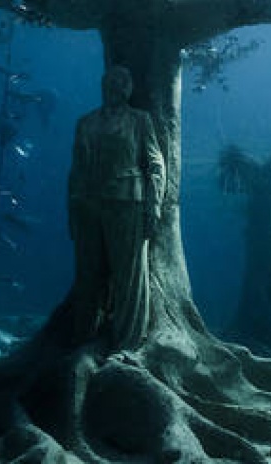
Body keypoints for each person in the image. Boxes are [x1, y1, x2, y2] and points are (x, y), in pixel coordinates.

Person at [67, 65, 166, 350]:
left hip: (128, 203)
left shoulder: (140, 121)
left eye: (123, 82)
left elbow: (155, 164)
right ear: (103, 85)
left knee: (130, 276)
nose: (117, 86)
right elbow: (76, 170)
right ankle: (83, 339)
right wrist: (71, 209)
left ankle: (128, 345)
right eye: (112, 81)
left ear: (130, 89)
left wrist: (153, 206)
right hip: (87, 205)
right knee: (88, 273)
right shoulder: (85, 123)